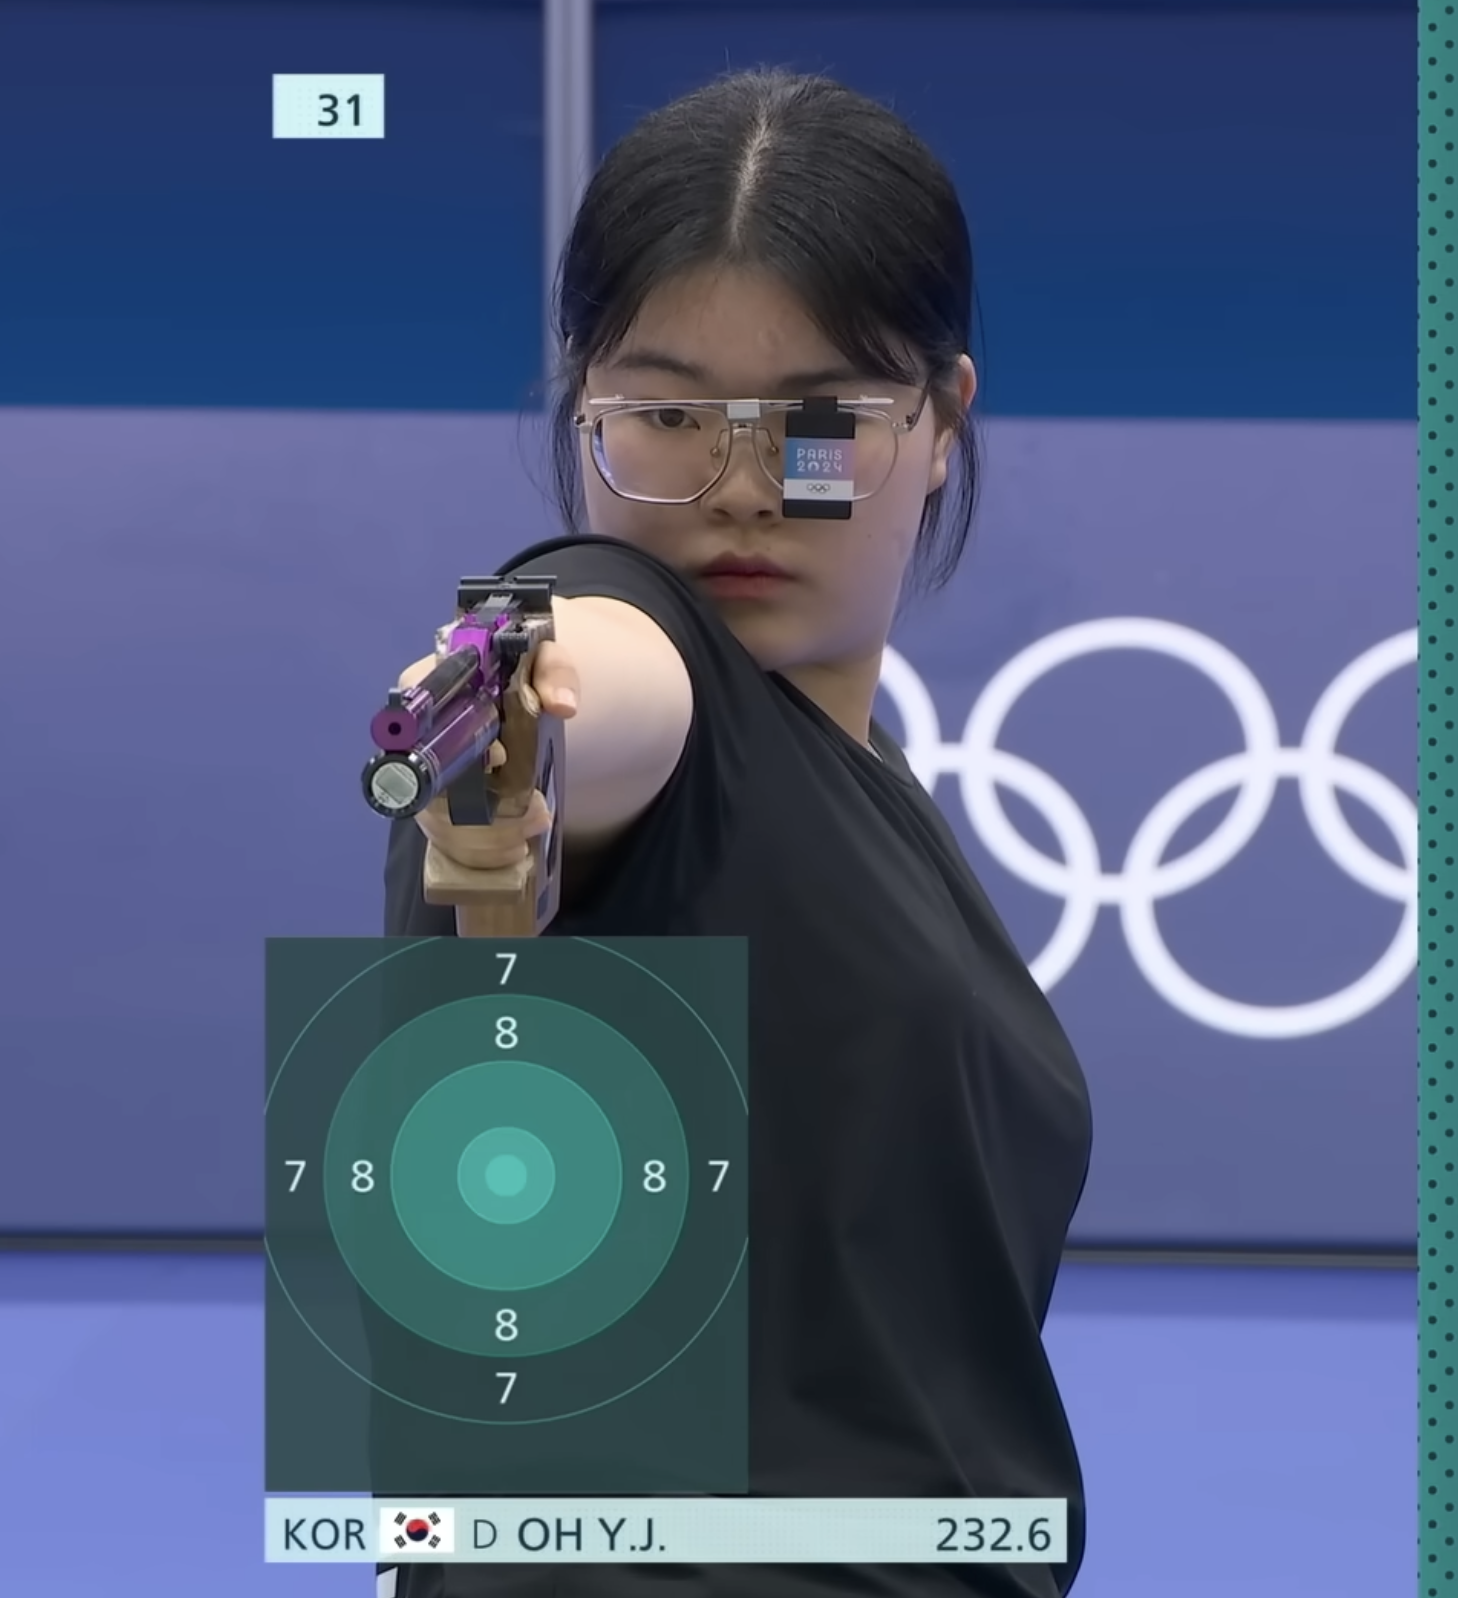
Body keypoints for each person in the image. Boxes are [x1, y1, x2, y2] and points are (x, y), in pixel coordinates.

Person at [375, 69, 1092, 1598]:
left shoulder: (865, 777)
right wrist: (521, 721)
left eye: (821, 424)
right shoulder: (622, 644)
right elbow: (597, 681)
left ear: (944, 422)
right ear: (584, 407)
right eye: (666, 417)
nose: (743, 487)